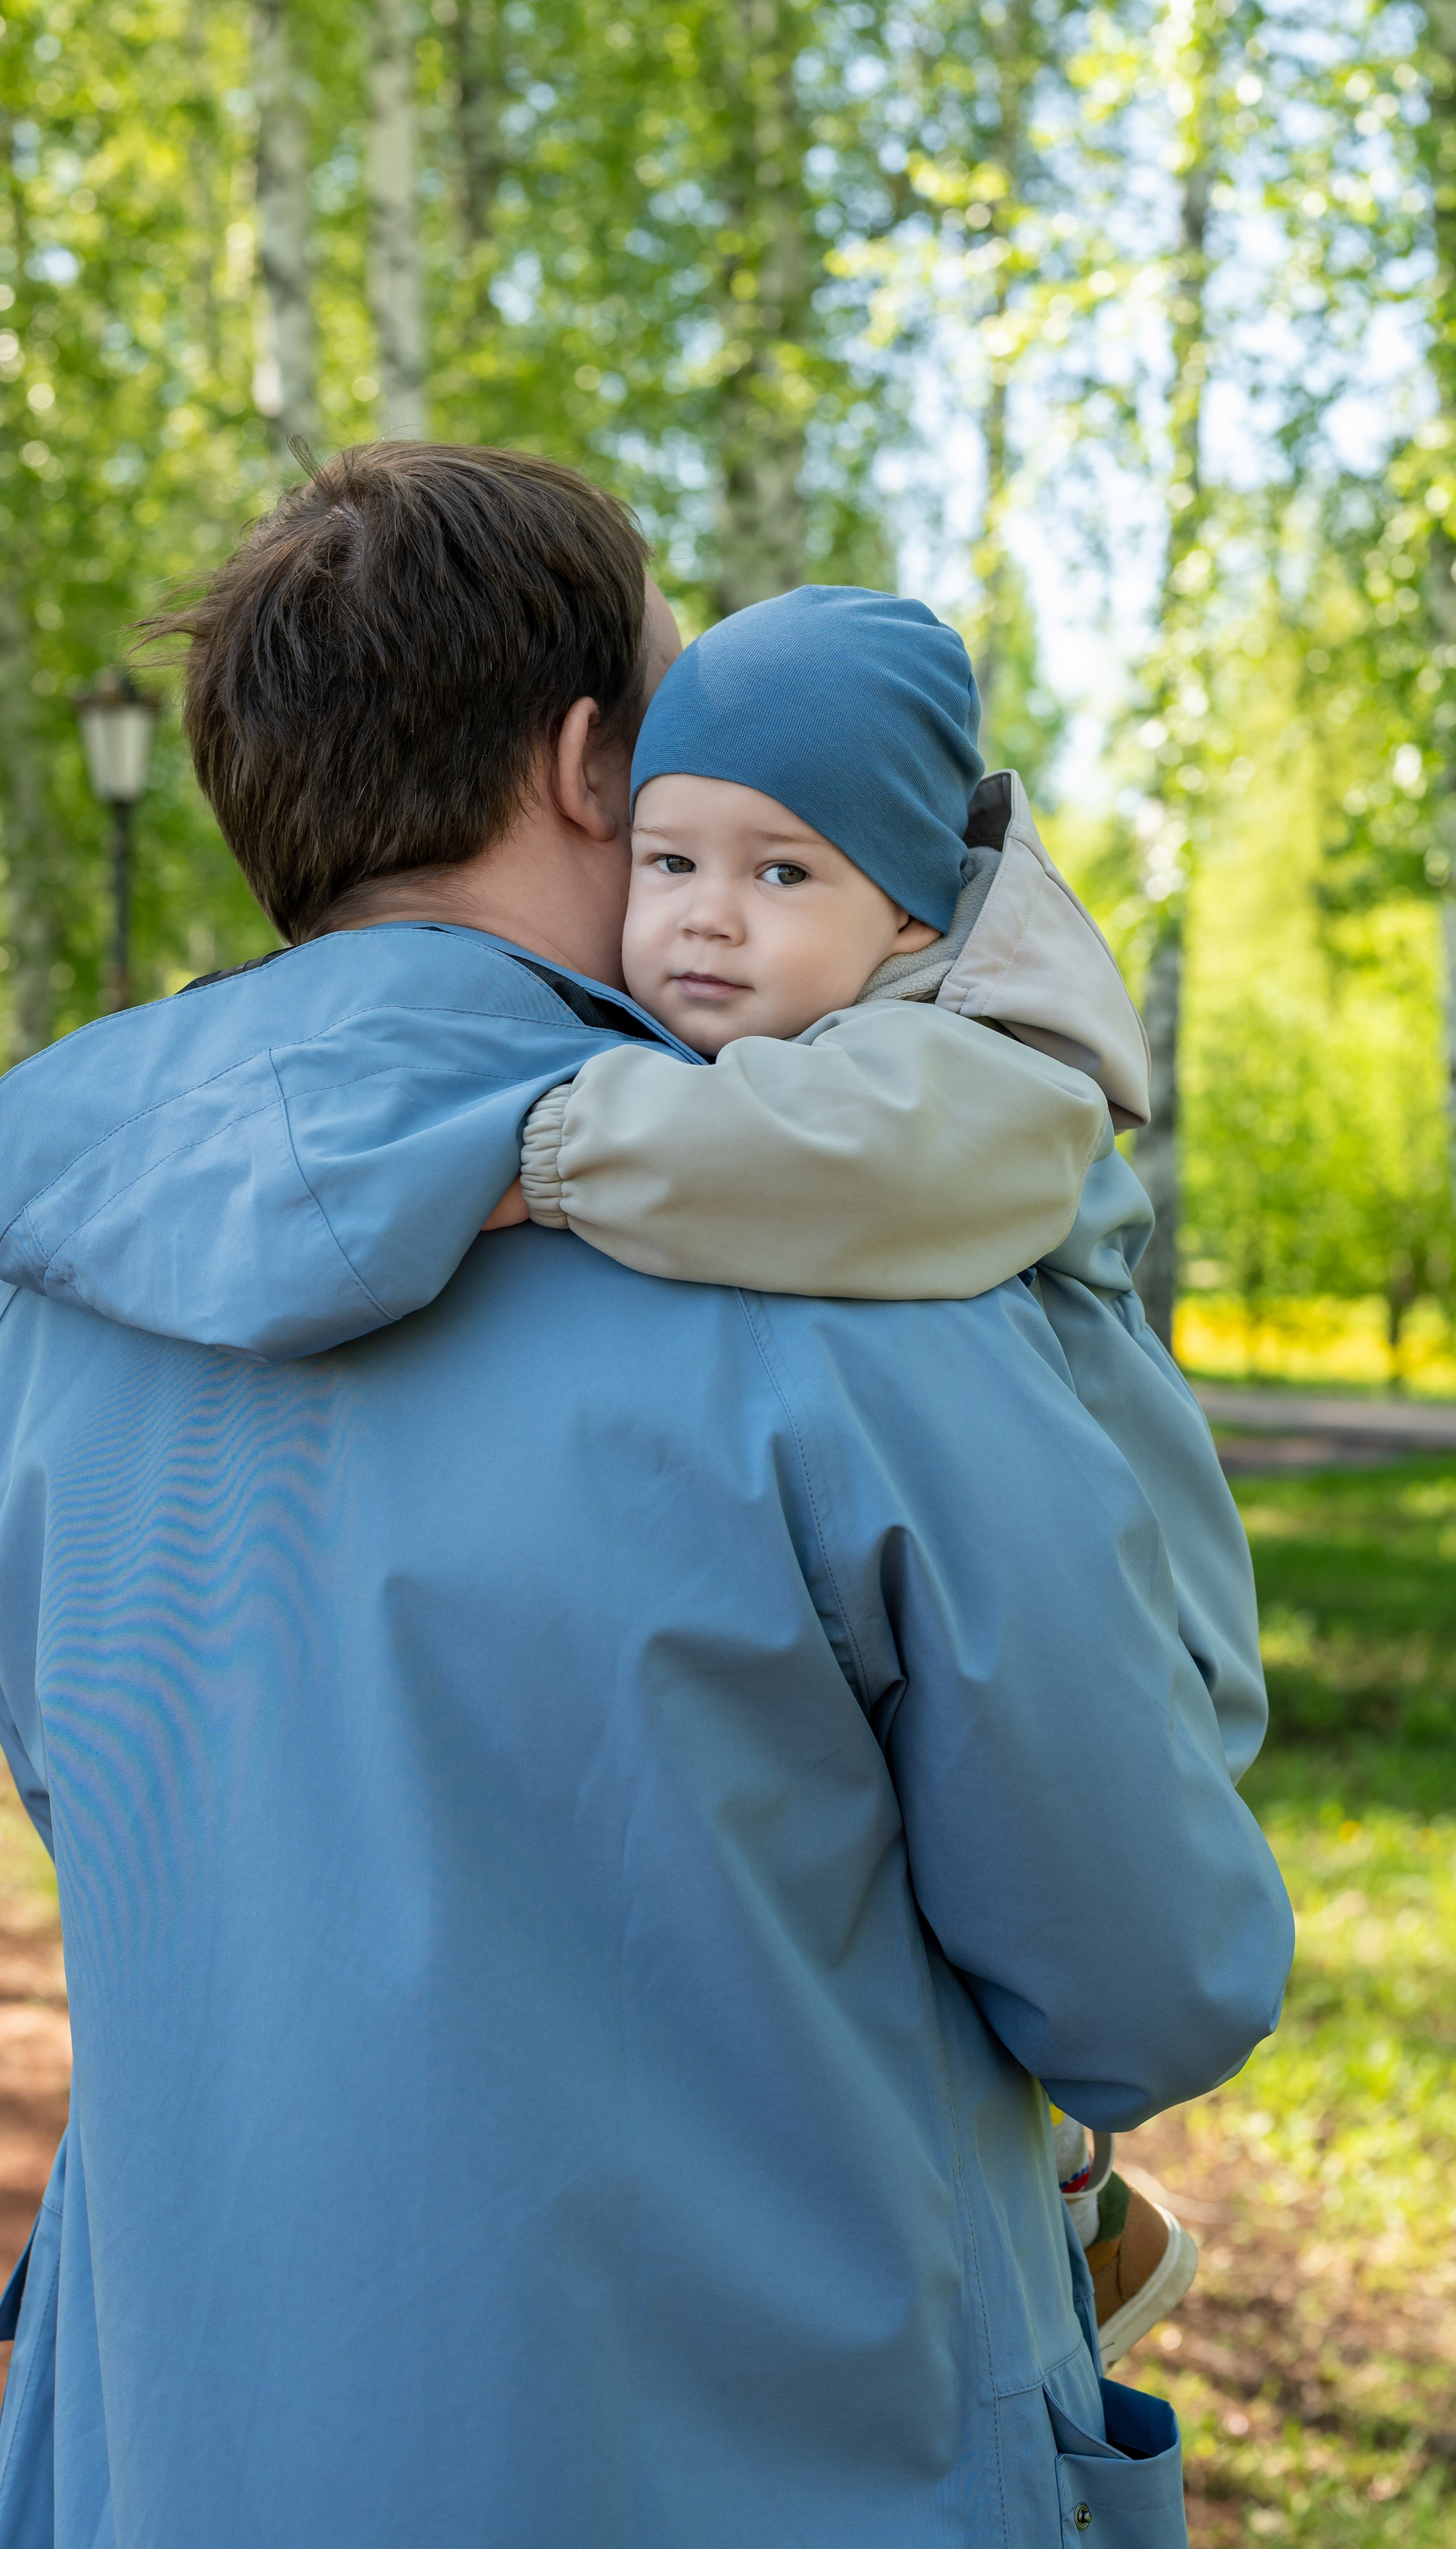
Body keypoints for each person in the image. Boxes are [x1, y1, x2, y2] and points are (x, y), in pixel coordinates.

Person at [0, 442, 1293, 2549]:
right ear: (587, 764)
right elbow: (1151, 1975)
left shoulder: (36, 1309)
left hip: (185, 2462)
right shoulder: (840, 1274)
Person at [500, 584, 1264, 2363]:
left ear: (914, 911)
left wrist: (525, 1147)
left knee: (1027, 1913)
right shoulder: (814, 1042)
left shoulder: (978, 1080)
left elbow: (809, 1168)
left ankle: (1074, 2204)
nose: (706, 920)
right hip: (1014, 1596)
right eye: (671, 860)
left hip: (1141, 1627)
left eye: (786, 875)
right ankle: (1078, 2203)